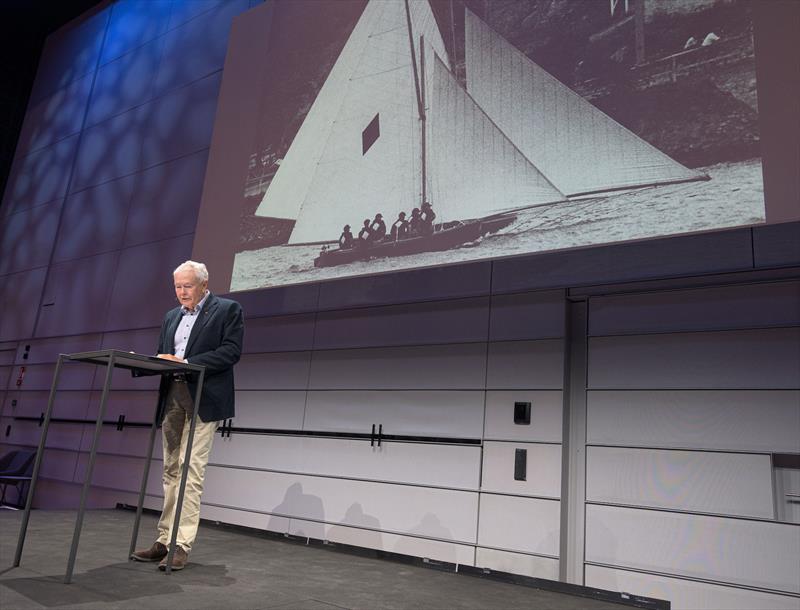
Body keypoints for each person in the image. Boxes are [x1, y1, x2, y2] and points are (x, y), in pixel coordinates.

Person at [131, 260, 243, 571]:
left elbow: (231, 352)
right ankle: (164, 540)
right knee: (170, 470)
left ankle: (182, 544)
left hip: (203, 398)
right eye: (178, 286)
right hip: (172, 397)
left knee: (190, 471)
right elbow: (164, 355)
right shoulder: (171, 317)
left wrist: (186, 361)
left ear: (204, 285)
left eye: (188, 286)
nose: (182, 292)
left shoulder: (226, 310)